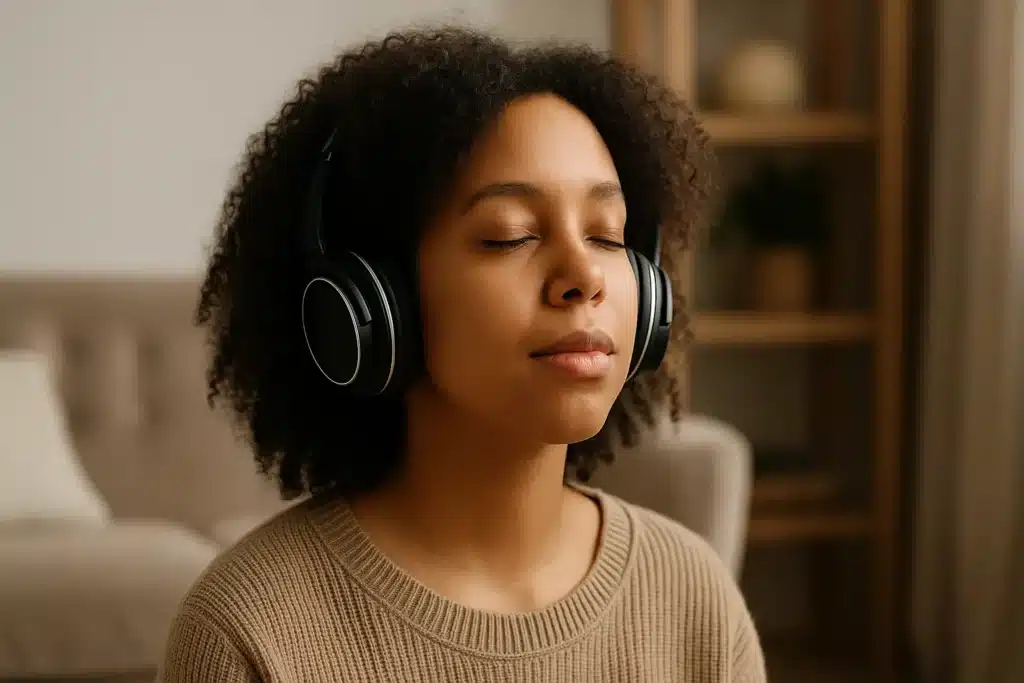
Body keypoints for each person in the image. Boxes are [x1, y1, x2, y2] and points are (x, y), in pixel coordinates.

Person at [158, 26, 765, 683]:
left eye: (606, 235)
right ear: (373, 302)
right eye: (510, 236)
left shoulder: (694, 599)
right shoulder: (246, 631)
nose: (584, 275)